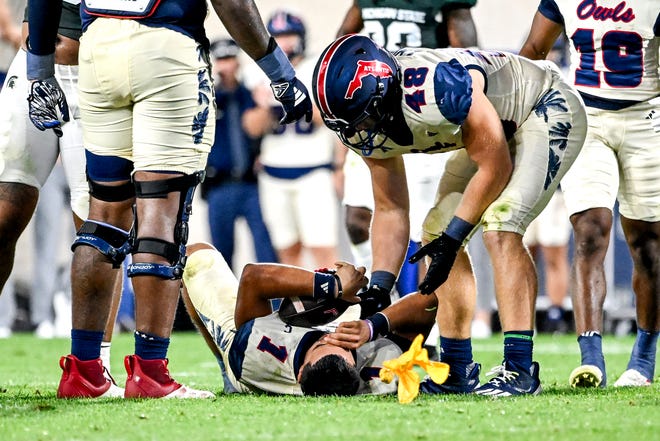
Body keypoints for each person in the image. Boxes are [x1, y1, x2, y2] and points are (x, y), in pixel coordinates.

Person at [27, 0, 312, 399]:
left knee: (104, 214)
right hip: (165, 46)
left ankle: (85, 371)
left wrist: (38, 70)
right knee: (162, 214)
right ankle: (149, 373)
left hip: (96, 50)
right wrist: (280, 72)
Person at [312, 34, 588, 396]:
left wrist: (456, 235)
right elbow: (392, 206)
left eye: (362, 119)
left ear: (384, 91)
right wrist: (380, 285)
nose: (358, 132)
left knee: (501, 226)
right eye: (348, 124)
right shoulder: (356, 123)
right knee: (435, 235)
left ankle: (520, 369)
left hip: (542, 105)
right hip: (495, 130)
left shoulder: (436, 86)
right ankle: (458, 370)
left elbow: (495, 165)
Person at [519, 0, 660, 388]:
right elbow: (533, 52)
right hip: (587, 119)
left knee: (648, 246)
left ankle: (643, 357)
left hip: (646, 118)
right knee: (589, 230)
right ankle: (591, 357)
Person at [0, 0, 122, 385]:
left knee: (100, 224)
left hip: (96, 78)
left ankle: (92, 366)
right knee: (6, 210)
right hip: (34, 66)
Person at [336, 0, 479, 300]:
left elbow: (468, 56)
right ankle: (376, 298)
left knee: (428, 231)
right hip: (373, 117)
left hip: (418, 115)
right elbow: (342, 43)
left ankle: (428, 327)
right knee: (356, 219)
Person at [181, 242, 443, 396]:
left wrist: (332, 286)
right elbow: (429, 302)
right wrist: (373, 325)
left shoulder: (257, 349)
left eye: (323, 342)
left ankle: (225, 371)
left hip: (246, 352)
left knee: (197, 257)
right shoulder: (380, 373)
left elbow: (253, 279)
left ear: (300, 373)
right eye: (344, 345)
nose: (331, 335)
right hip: (299, 347)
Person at [243, 9, 340, 269]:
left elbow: (330, 118)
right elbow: (251, 127)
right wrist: (266, 107)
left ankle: (333, 307)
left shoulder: (315, 69)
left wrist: (296, 101)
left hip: (314, 170)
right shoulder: (257, 74)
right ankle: (299, 307)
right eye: (278, 36)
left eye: (288, 35)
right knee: (287, 250)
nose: (284, 43)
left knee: (322, 248)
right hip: (273, 173)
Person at [203, 38, 277, 271]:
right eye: (221, 60)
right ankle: (226, 306)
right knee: (221, 254)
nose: (227, 66)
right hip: (218, 185)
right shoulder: (207, 99)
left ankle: (273, 301)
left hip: (249, 184)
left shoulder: (248, 95)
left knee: (265, 247)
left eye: (230, 59)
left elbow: (257, 129)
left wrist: (263, 105)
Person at [523, 188, 572, 334]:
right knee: (522, 256)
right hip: (523, 188)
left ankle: (555, 316)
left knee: (554, 255)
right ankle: (524, 318)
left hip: (552, 188)